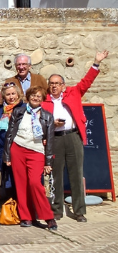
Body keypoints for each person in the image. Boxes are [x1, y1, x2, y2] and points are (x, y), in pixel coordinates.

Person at [41, 50, 109, 223]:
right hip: (55, 138)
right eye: (51, 84)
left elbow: (87, 82)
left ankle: (79, 210)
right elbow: (39, 122)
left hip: (73, 137)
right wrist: (51, 125)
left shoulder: (74, 93)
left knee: (76, 174)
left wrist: (96, 62)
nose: (54, 86)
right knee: (55, 176)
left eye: (57, 83)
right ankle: (56, 209)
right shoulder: (45, 101)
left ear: (63, 85)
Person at [4, 86, 57, 230]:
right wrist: (7, 155)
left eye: (39, 96)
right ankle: (26, 217)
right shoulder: (18, 112)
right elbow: (9, 134)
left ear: (42, 99)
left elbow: (50, 141)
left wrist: (48, 162)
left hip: (36, 151)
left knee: (34, 183)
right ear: (28, 97)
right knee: (21, 185)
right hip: (18, 149)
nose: (35, 98)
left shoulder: (47, 116)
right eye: (33, 95)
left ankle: (48, 217)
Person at [0, 82, 25, 173]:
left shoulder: (24, 108)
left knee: (16, 175)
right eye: (8, 94)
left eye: (13, 93)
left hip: (17, 146)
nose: (11, 97)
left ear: (18, 94)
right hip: (0, 147)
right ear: (3, 96)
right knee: (1, 176)